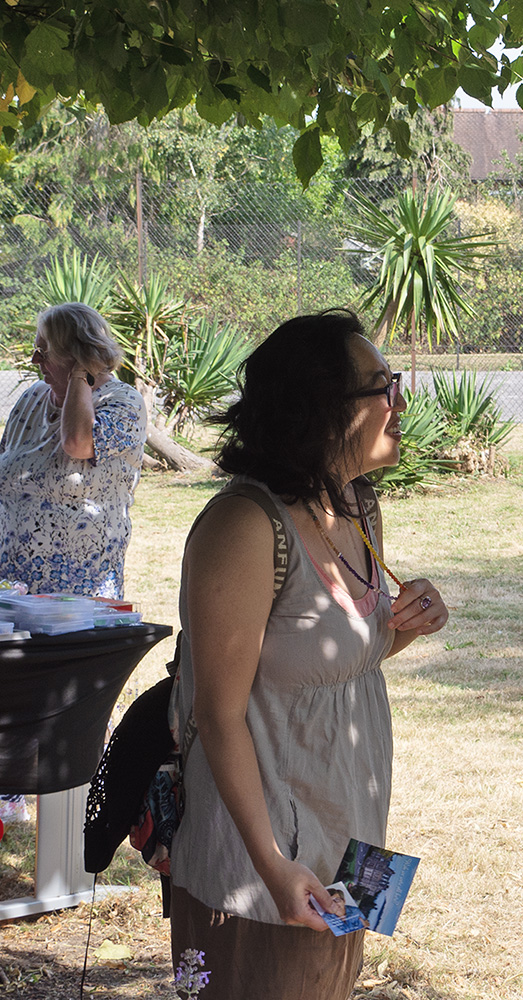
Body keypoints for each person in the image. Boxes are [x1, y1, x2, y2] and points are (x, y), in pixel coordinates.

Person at [167, 310, 448, 1000]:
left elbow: (341, 657)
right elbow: (219, 713)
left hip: (345, 842)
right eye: (382, 387)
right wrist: (271, 865)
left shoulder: (355, 505)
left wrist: (412, 621)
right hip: (260, 867)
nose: (401, 402)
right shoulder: (244, 525)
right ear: (320, 410)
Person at [0, 302, 146, 824]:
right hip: (14, 581)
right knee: (11, 694)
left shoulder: (121, 404)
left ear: (79, 356)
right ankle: (10, 794)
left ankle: (75, 827)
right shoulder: (30, 401)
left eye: (48, 349)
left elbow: (78, 443)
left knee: (70, 709)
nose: (36, 357)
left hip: (77, 590)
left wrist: (81, 379)